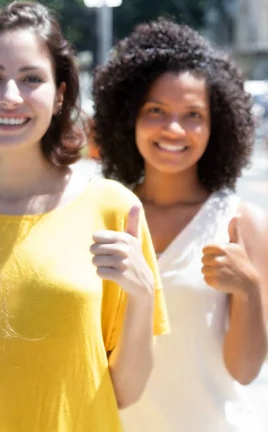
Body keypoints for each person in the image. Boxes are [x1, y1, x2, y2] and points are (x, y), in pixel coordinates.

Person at [0, 2, 170, 431]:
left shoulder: (113, 208)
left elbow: (127, 391)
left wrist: (141, 297)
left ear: (60, 94)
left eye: (31, 79)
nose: (10, 96)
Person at [93, 19, 268, 432]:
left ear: (217, 125)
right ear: (128, 116)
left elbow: (244, 371)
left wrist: (249, 290)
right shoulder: (103, 211)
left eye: (193, 115)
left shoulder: (241, 223)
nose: (174, 129)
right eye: (156, 111)